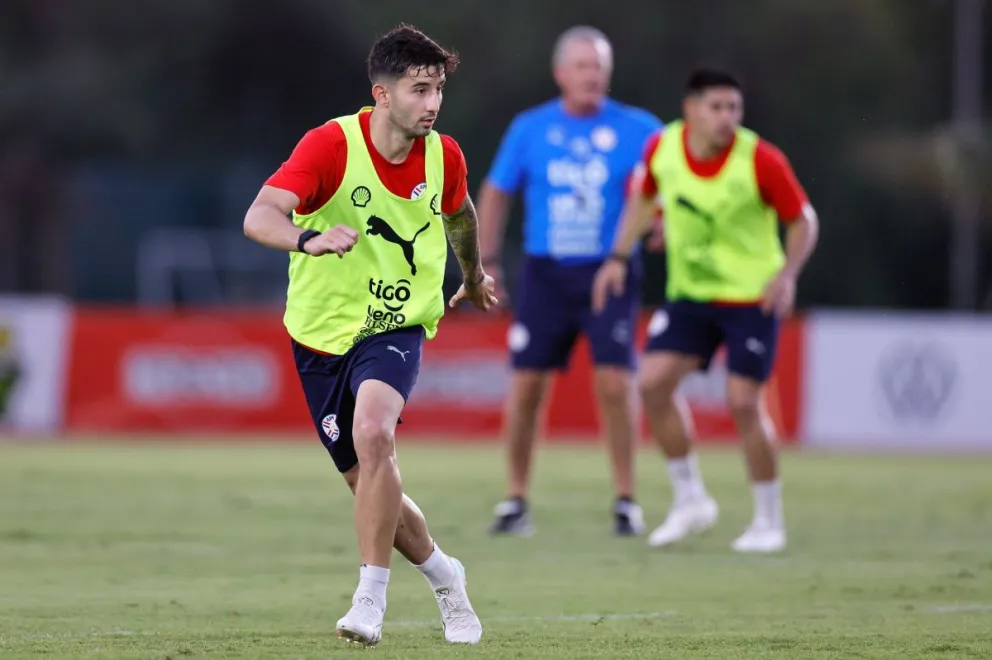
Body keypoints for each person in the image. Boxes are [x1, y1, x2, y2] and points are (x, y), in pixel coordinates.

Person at [243, 24, 494, 646]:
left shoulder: (445, 155)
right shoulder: (330, 146)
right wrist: (310, 238)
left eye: (438, 89)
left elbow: (459, 213)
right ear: (382, 94)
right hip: (320, 336)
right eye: (418, 89)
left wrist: (476, 275)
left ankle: (369, 599)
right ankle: (444, 576)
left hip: (397, 324)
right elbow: (258, 216)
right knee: (372, 482)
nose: (432, 103)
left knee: (375, 430)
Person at [592, 68, 819, 554]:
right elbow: (644, 198)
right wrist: (617, 255)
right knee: (651, 383)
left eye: (734, 108)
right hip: (691, 295)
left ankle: (768, 520)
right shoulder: (663, 148)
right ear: (691, 109)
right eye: (716, 108)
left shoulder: (759, 158)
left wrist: (787, 275)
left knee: (742, 402)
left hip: (749, 299)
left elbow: (803, 221)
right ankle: (691, 498)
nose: (727, 118)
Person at [477, 26, 664, 537]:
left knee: (615, 382)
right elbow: (495, 194)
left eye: (599, 66)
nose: (592, 75)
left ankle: (626, 500)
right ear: (561, 73)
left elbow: (669, 190)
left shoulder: (642, 128)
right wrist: (486, 261)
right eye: (582, 66)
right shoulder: (530, 128)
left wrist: (663, 224)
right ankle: (515, 500)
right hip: (546, 273)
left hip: (611, 270)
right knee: (526, 386)